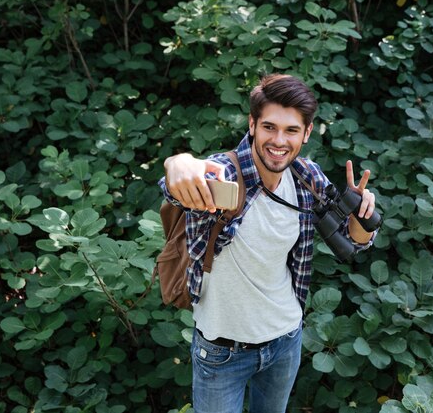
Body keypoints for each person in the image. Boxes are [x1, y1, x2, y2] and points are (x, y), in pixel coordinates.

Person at [158, 74, 378, 413]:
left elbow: (352, 244)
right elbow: (178, 183)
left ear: (306, 133)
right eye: (269, 127)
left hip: (284, 341)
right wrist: (179, 163)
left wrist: (362, 218)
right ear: (252, 124)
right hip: (221, 351)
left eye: (291, 130)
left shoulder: (307, 178)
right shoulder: (223, 175)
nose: (279, 141)